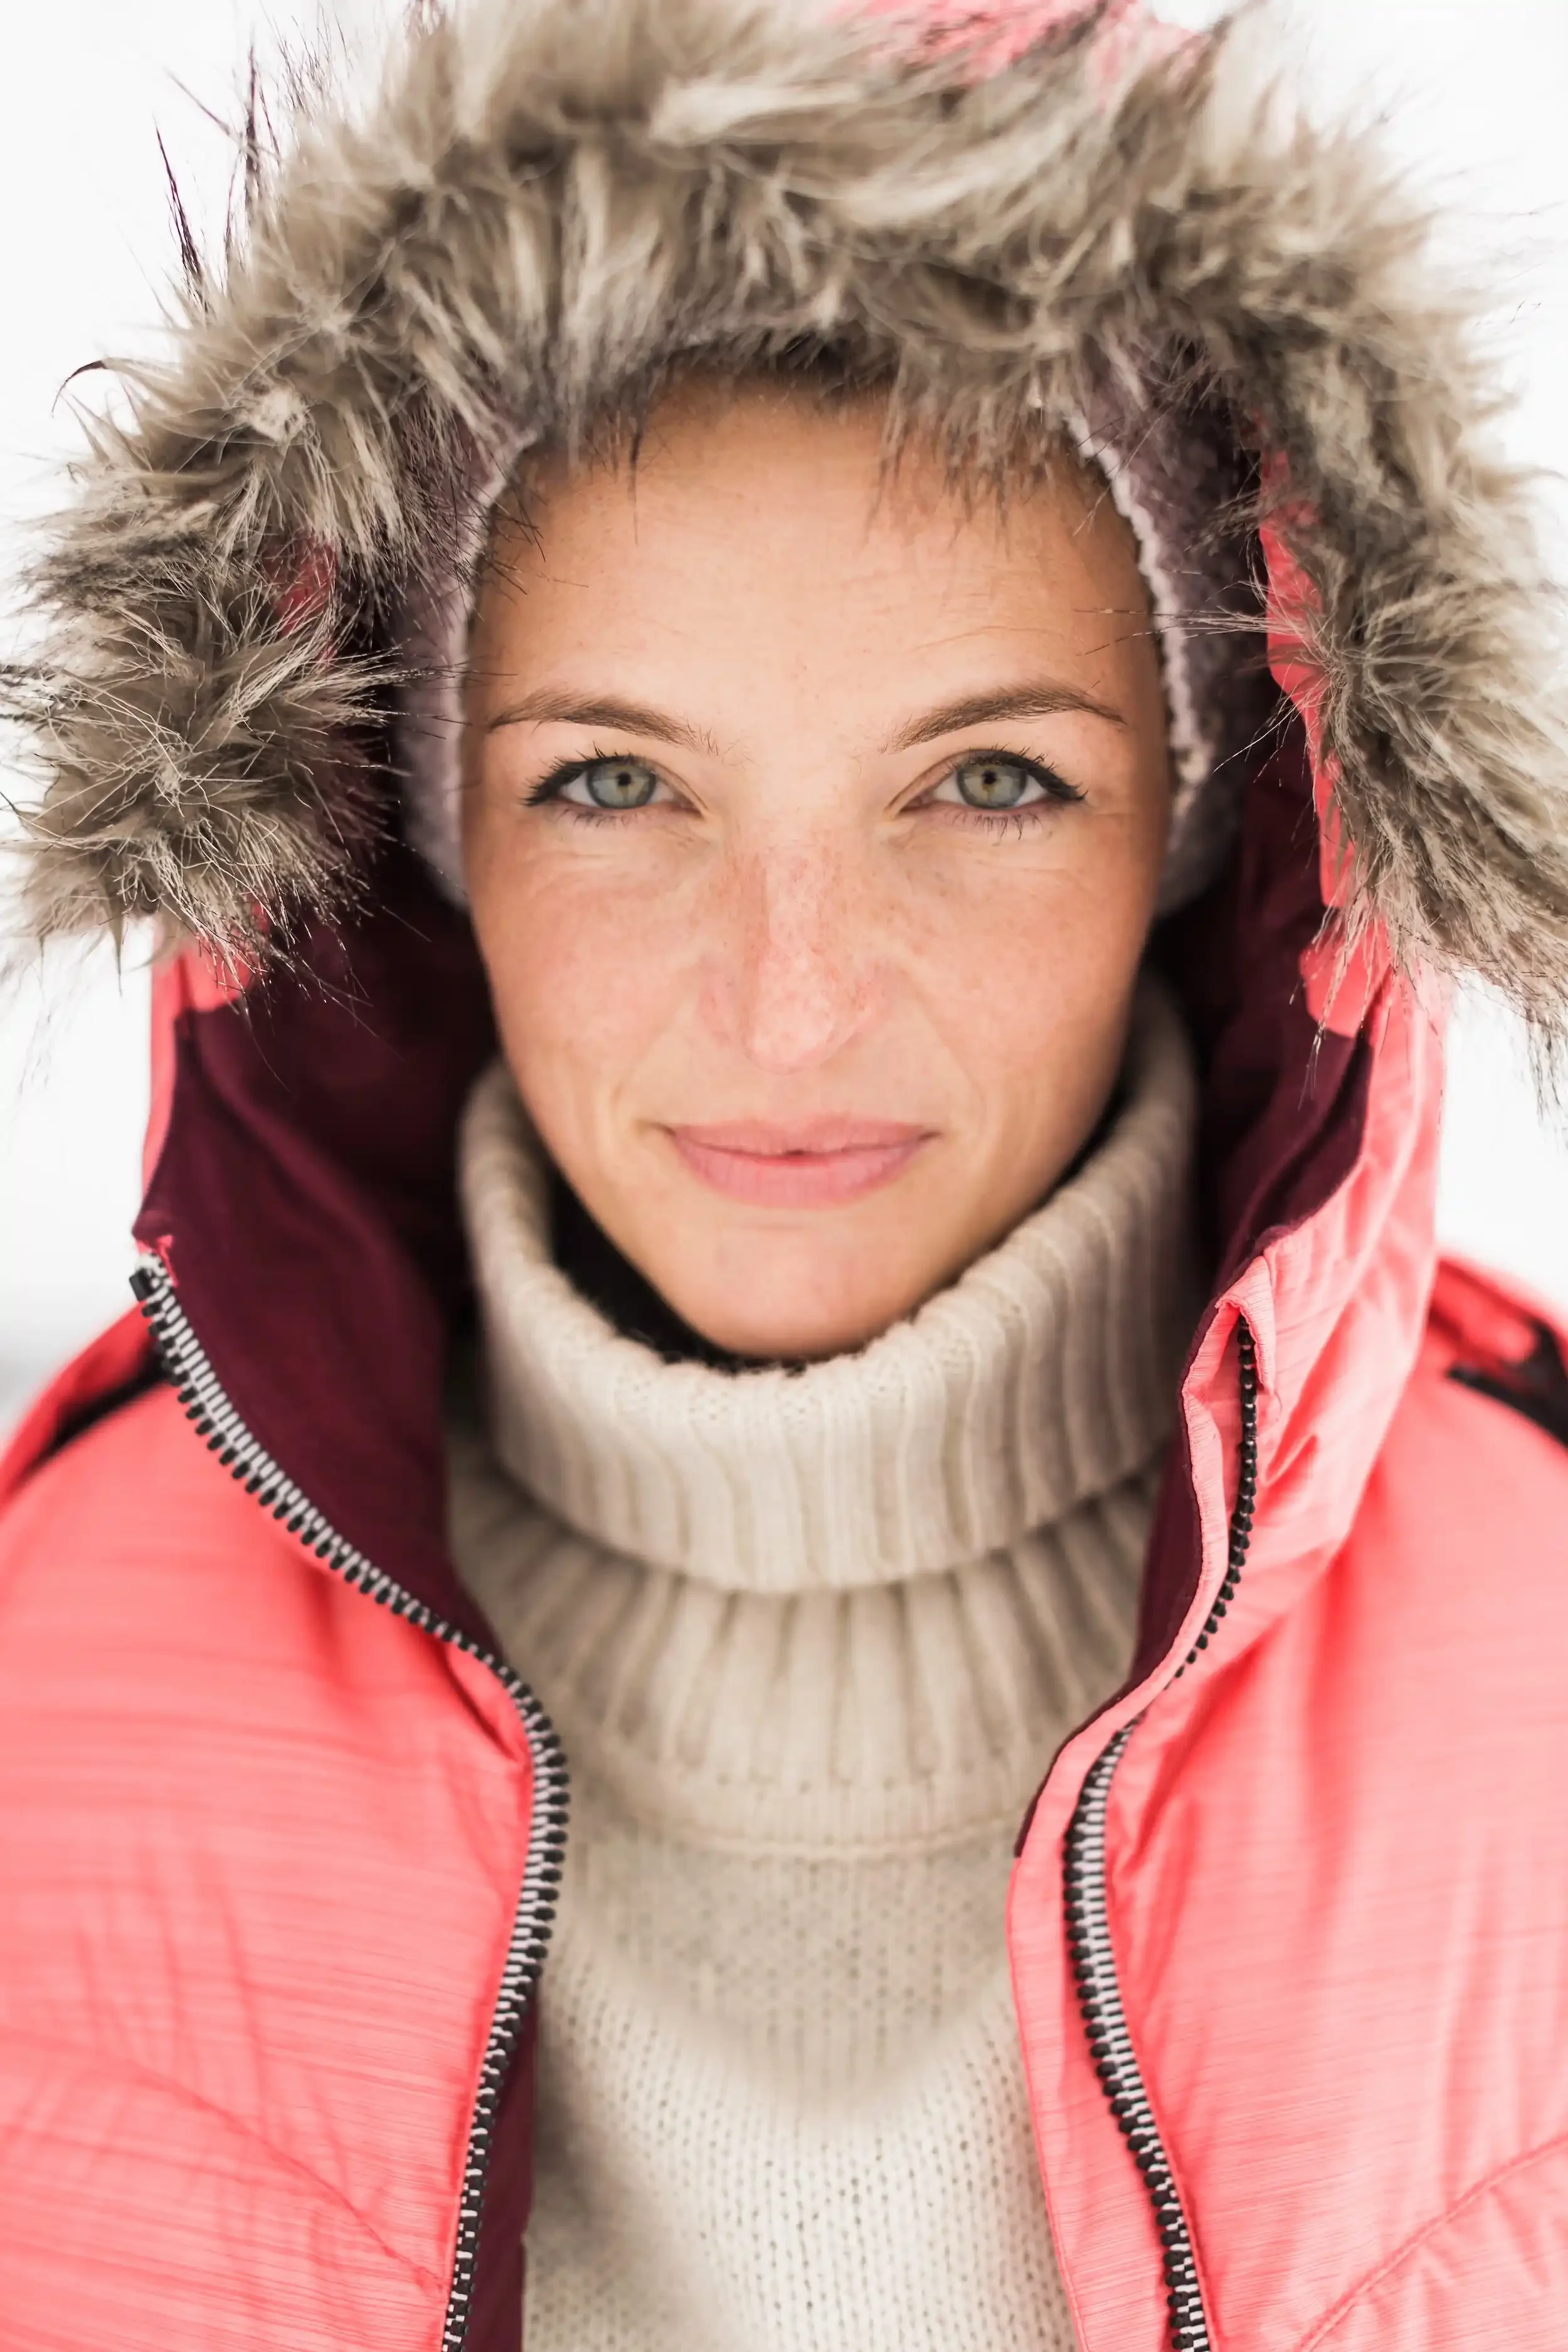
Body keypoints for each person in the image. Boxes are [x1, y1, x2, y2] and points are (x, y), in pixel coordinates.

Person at [3, 0, 1568, 2346]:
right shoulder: (48, 1687)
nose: (791, 1000)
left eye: (990, 780)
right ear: (405, 835)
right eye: (614, 783)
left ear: (1210, 818)